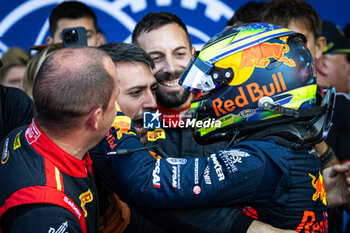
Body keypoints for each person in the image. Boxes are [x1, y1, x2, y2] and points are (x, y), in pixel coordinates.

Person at [94, 23, 350, 232]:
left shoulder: (261, 158)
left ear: (259, 88)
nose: (205, 95)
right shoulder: (284, 148)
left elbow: (148, 182)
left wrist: (113, 116)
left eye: (217, 85)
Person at [0, 46, 119, 233]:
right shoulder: (47, 215)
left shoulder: (21, 135)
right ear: (96, 119)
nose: (118, 110)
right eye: (114, 102)